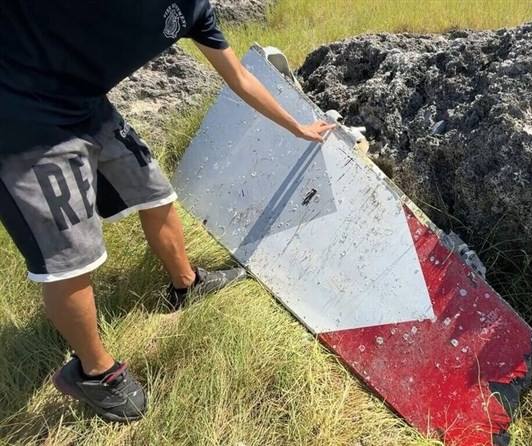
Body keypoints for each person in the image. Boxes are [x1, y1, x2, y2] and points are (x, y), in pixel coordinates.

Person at [0, 0, 334, 422]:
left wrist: (296, 126)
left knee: (155, 191)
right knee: (70, 258)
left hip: (85, 103)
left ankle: (186, 283)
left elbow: (239, 76)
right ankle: (95, 372)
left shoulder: (194, 11)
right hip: (23, 117)